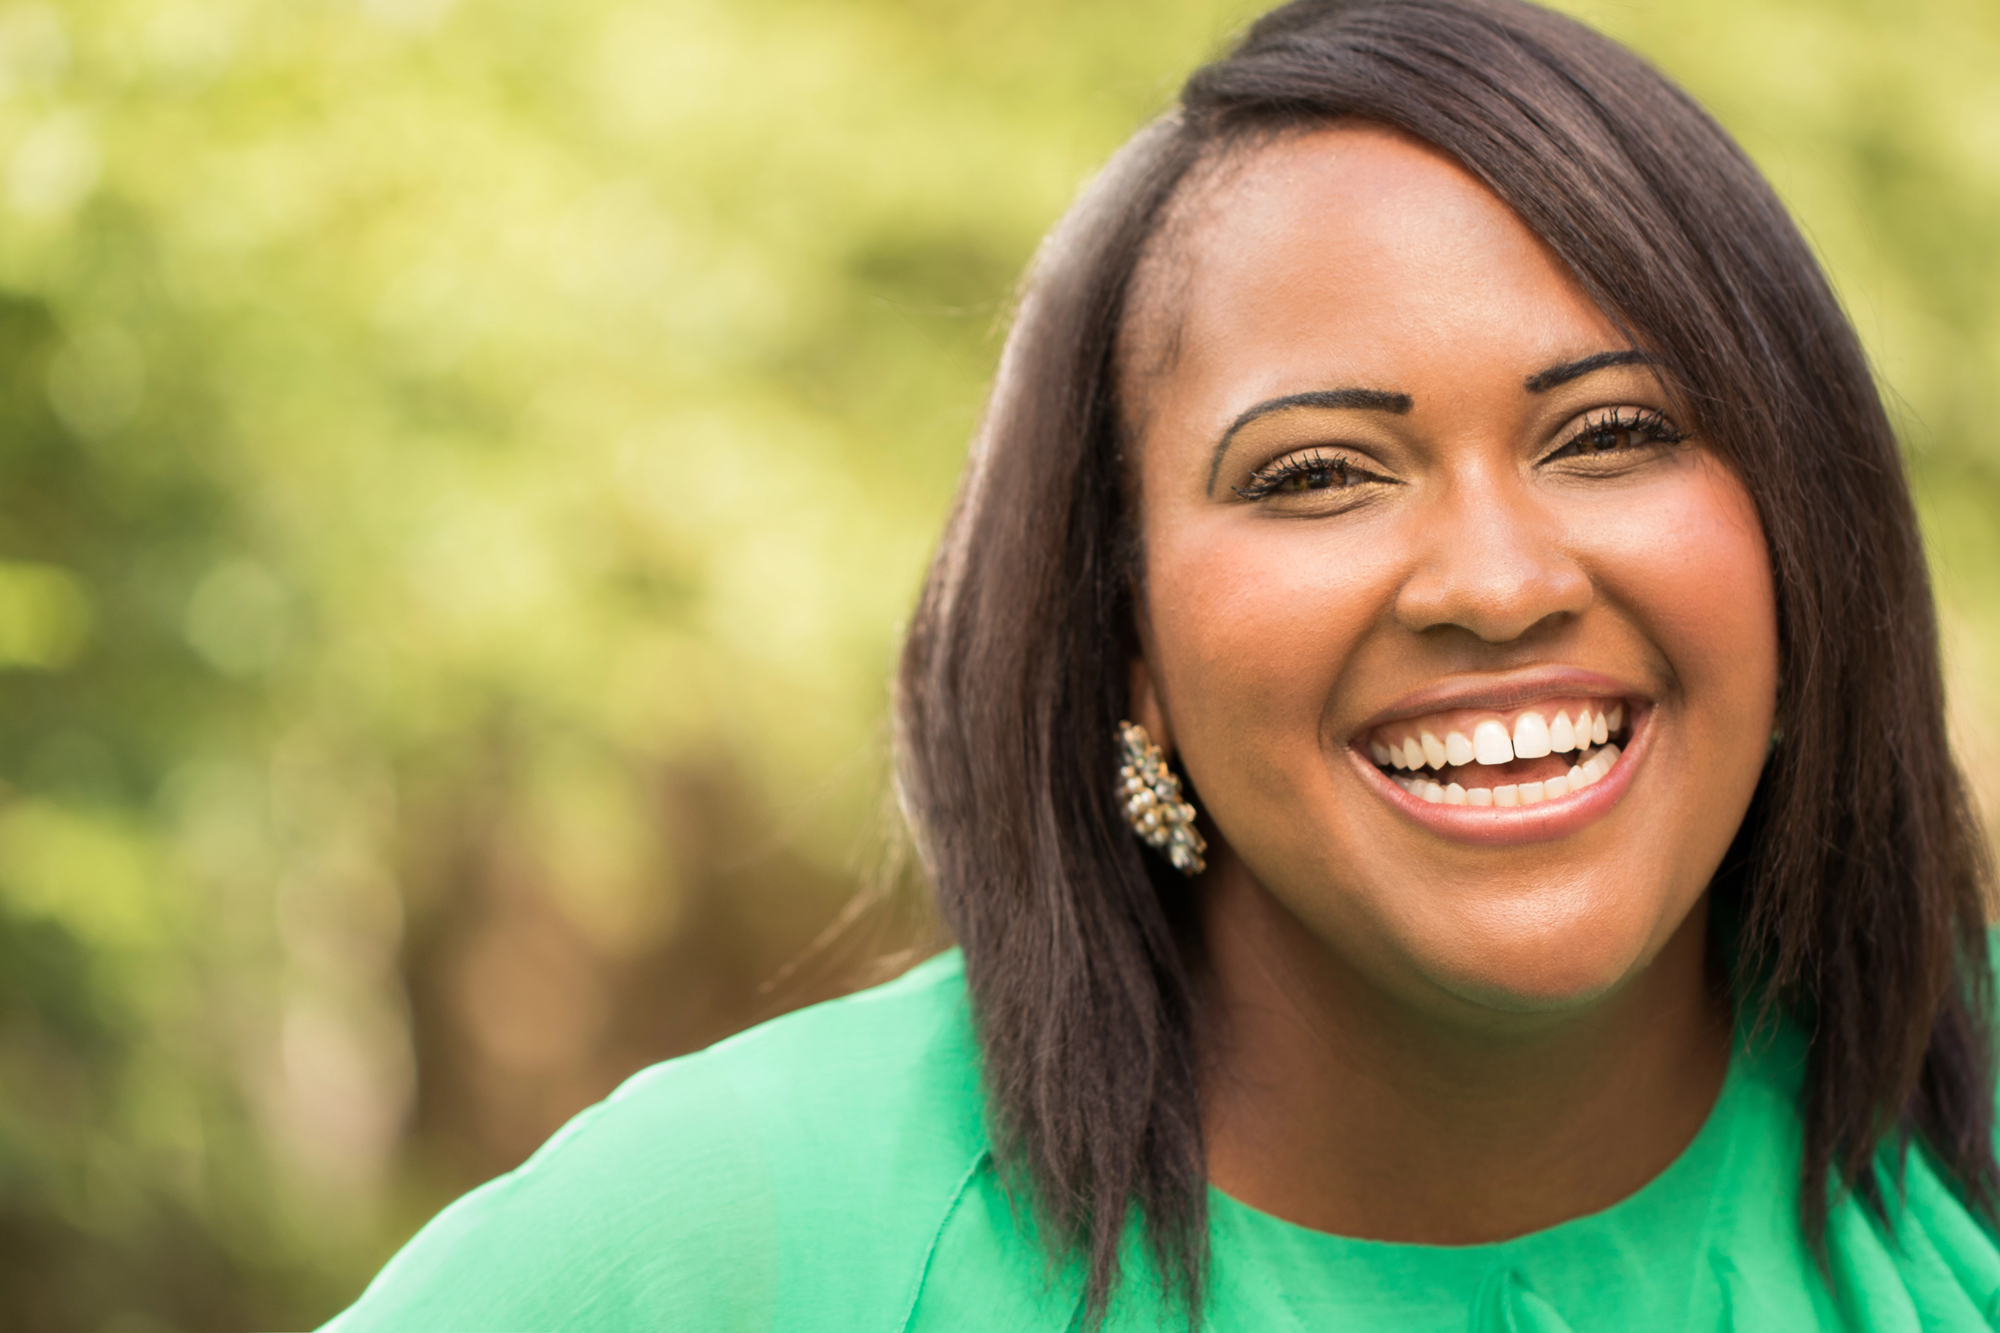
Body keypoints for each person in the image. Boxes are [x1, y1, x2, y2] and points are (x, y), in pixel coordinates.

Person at [323, 0, 2000, 1328]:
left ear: (1803, 530)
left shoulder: (1955, 1170)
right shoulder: (736, 1233)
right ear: (1123, 642)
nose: (1494, 581)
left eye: (1615, 432)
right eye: (1314, 472)